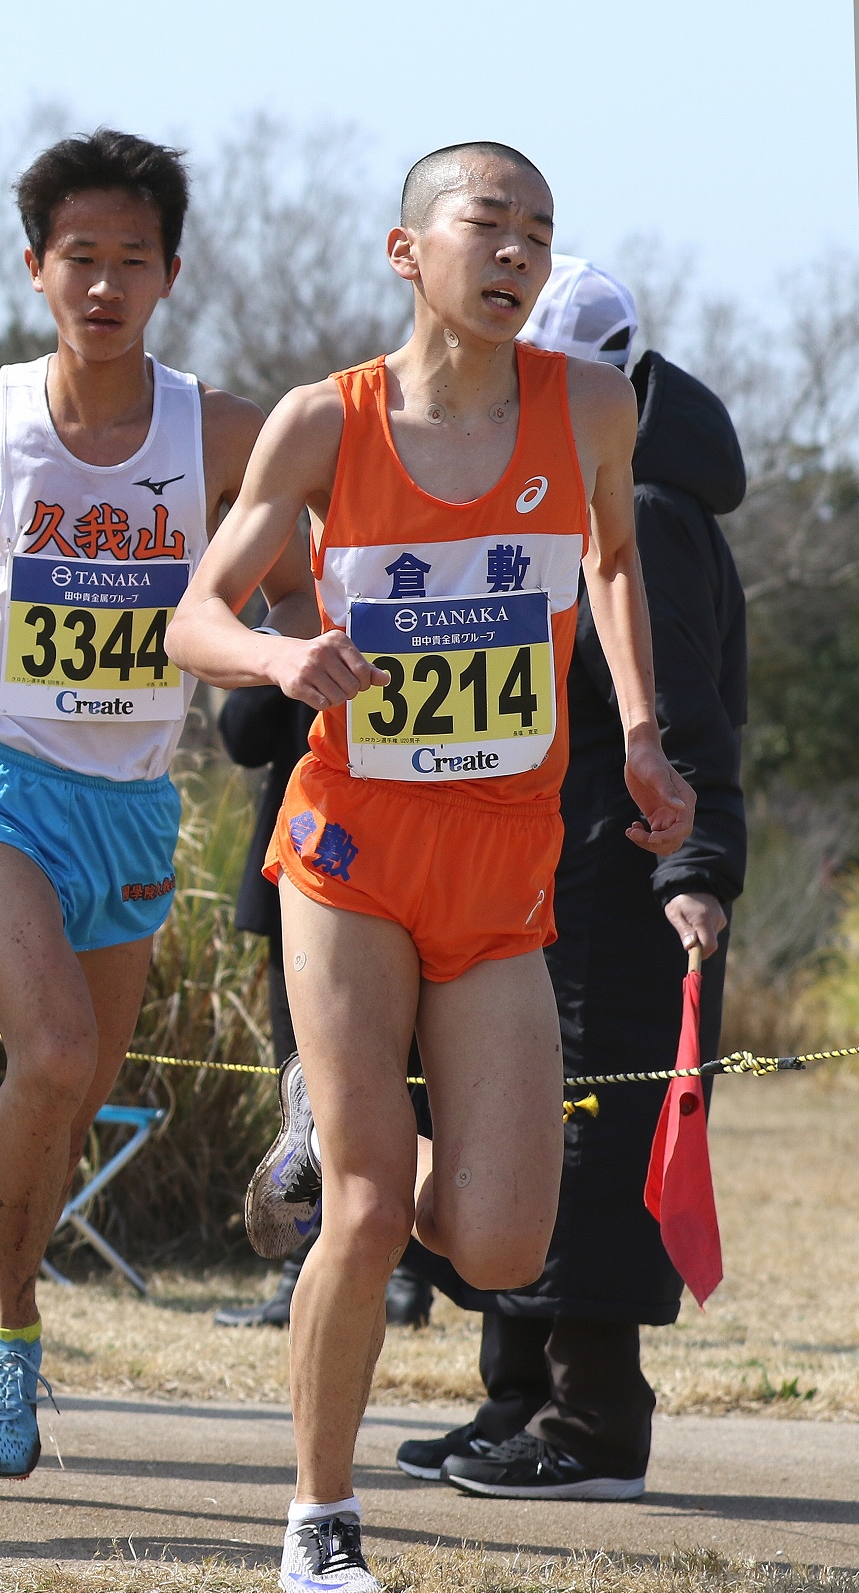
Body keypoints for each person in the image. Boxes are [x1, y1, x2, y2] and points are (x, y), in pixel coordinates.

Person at [163, 142, 696, 1593]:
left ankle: (357, 1143)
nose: (518, 250)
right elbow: (194, 619)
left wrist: (642, 736)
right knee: (363, 1209)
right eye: (490, 223)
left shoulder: (585, 403)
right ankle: (318, 1522)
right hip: (348, 857)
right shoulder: (324, 426)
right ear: (411, 252)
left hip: (503, 866)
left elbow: (615, 563)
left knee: (505, 1232)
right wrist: (282, 651)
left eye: (540, 230)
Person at [0, 129, 267, 1499]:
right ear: (35, 268)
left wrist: (291, 649)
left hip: (133, 813)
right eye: (77, 257)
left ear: (170, 275)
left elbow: (300, 577)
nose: (103, 283)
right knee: (56, 1047)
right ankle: (20, 1335)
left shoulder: (221, 432)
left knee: (55, 1102)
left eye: (129, 261)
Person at [395, 257, 748, 1500]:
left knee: (590, 1143)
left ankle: (593, 1422)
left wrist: (697, 872)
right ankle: (515, 1397)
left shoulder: (646, 512)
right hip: (529, 877)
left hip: (621, 885)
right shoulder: (553, 492)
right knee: (505, 1121)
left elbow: (692, 726)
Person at [210, 687, 433, 1333]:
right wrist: (279, 642)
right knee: (303, 1085)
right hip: (310, 867)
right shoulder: (305, 606)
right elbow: (243, 738)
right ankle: (298, 1265)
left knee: (414, 1078)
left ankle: (408, 1274)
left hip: (419, 866)